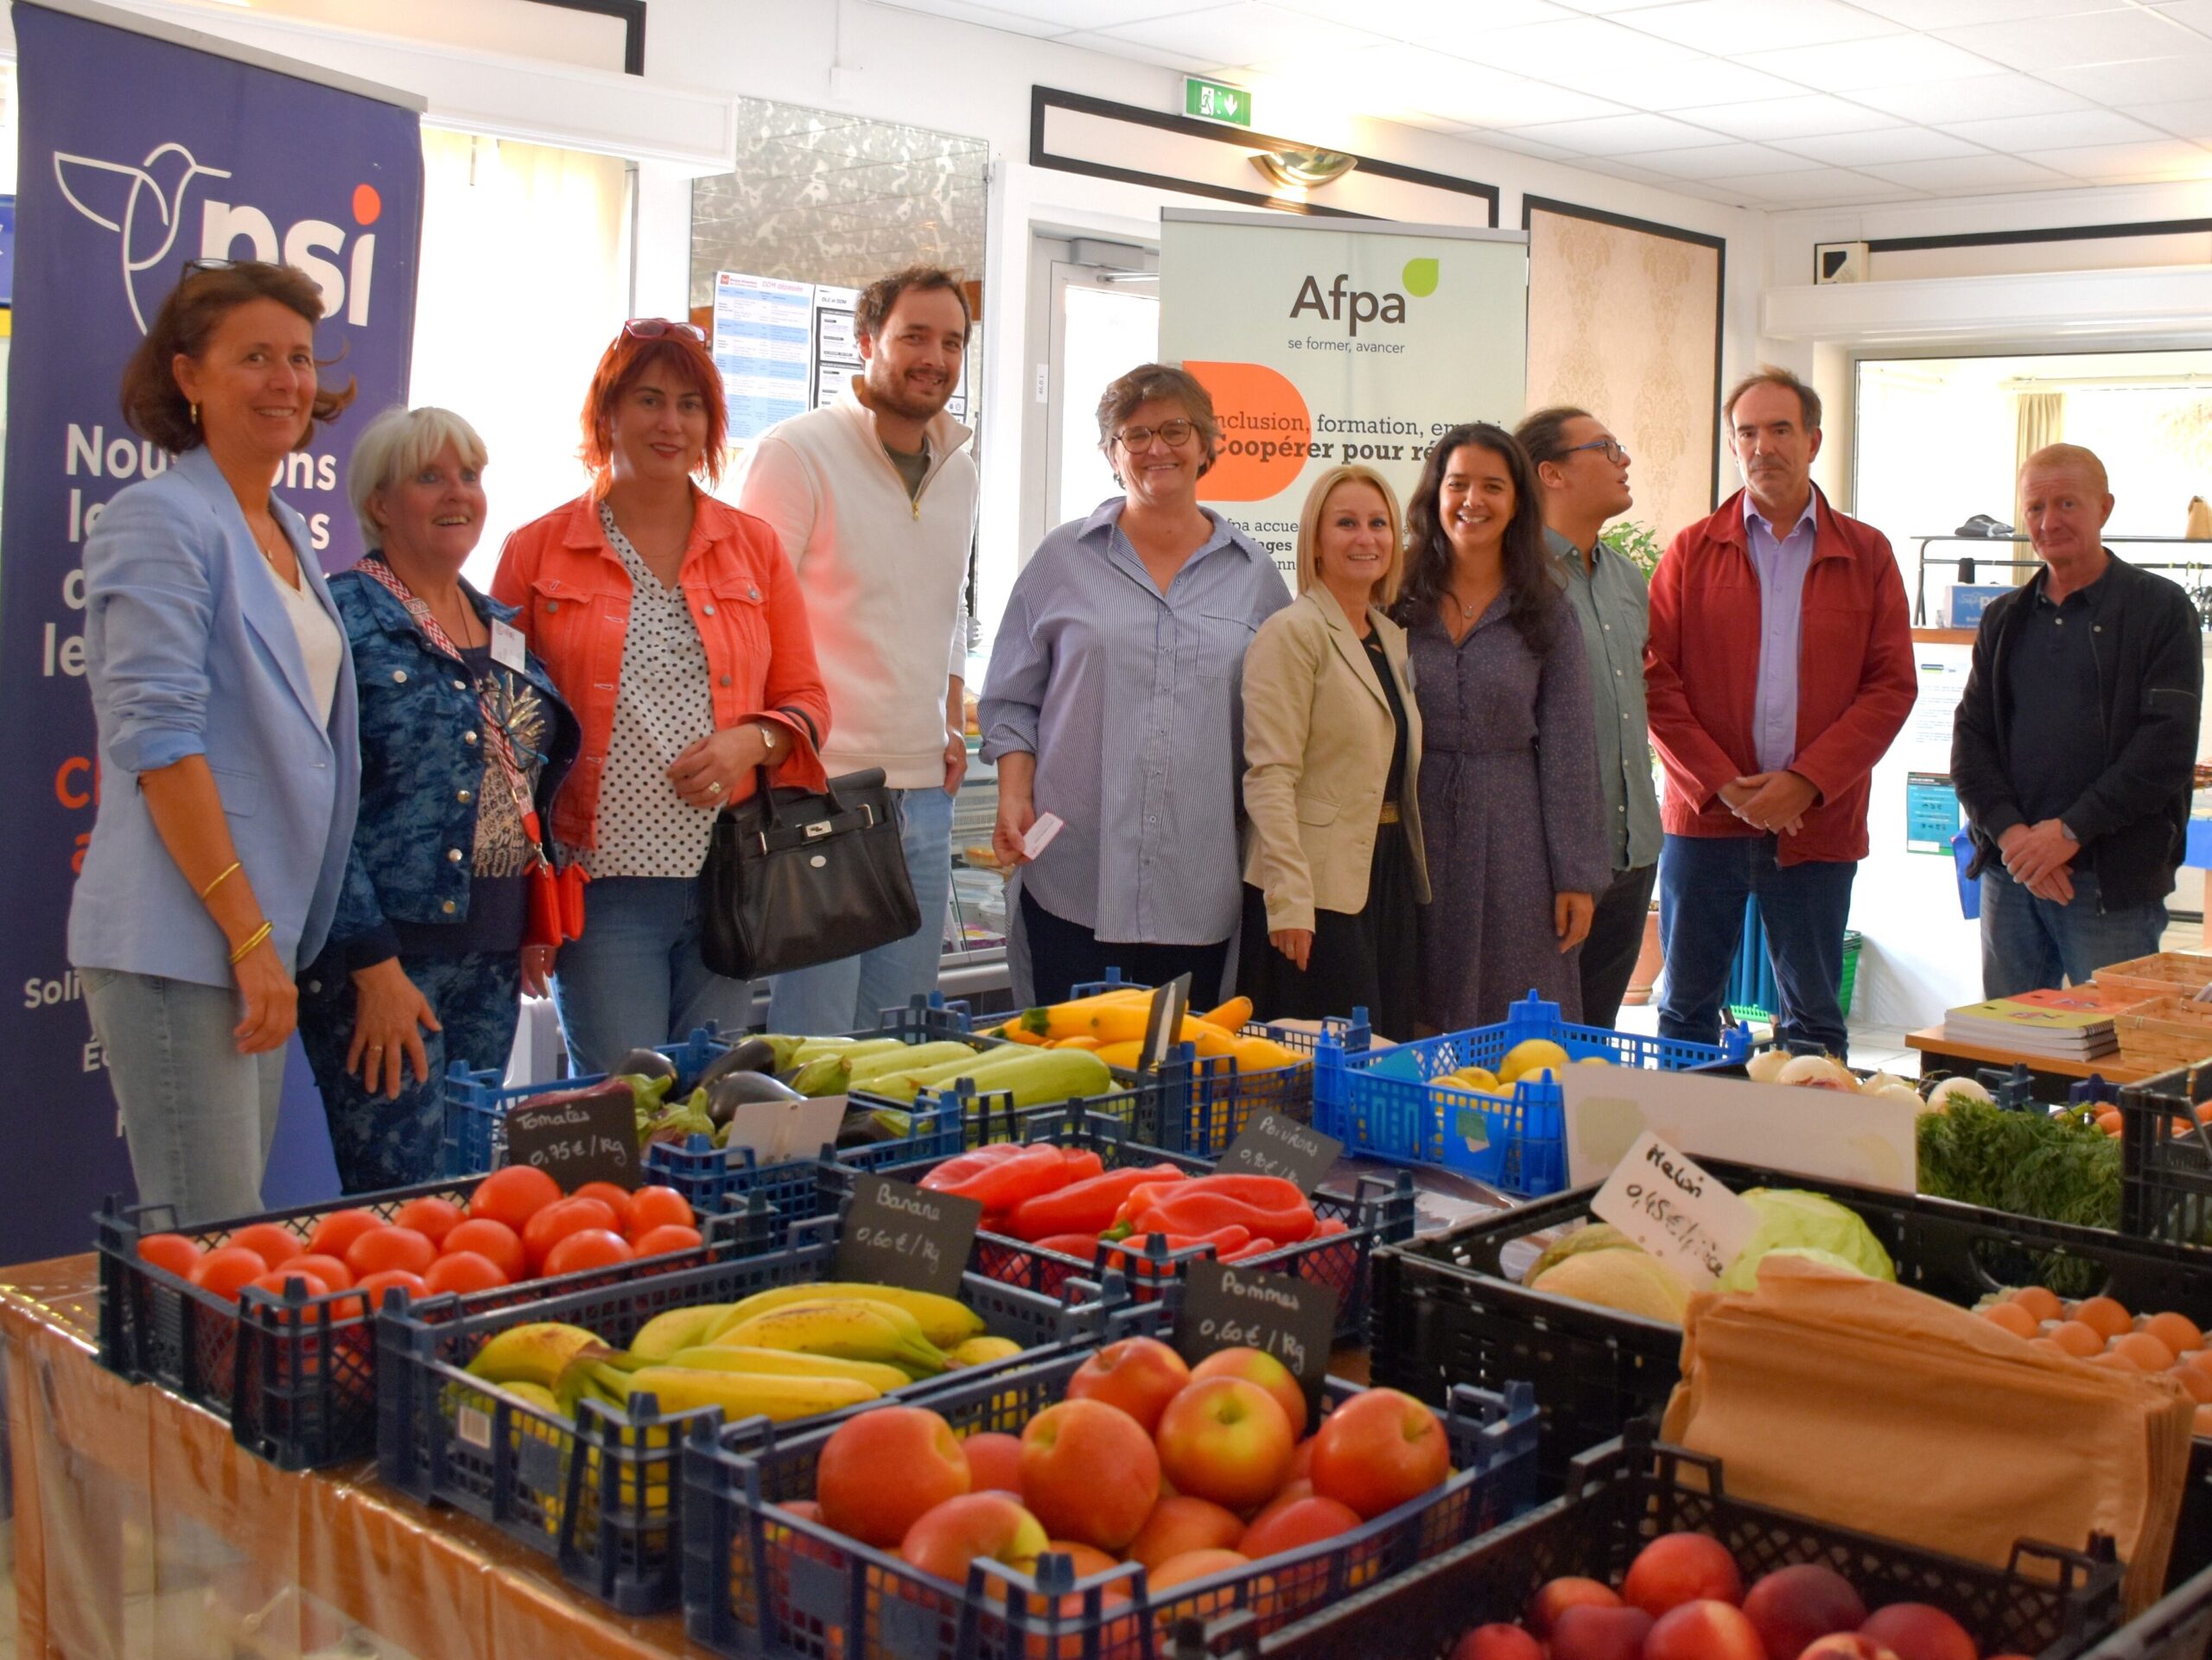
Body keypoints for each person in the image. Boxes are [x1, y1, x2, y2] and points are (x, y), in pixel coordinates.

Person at [69, 260, 360, 1223]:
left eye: (299, 359)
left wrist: (267, 942)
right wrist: (248, 938)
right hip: (187, 936)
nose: (286, 381)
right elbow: (159, 744)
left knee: (233, 1237)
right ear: (188, 377)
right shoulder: (159, 518)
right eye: (255, 358)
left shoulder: (281, 527)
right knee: (208, 1241)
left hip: (258, 936)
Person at [493, 320, 830, 1075]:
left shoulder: (754, 546)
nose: (669, 423)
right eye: (648, 400)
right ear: (607, 413)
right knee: (624, 1103)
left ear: (711, 424)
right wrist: (521, 902)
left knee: (708, 1105)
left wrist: (754, 740)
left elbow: (807, 698)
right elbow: (498, 733)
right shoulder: (535, 550)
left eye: (690, 404)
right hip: (601, 884)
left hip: (733, 876)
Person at [299, 408, 581, 1192]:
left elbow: (520, 777)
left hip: (491, 954)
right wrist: (371, 963)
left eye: (470, 476)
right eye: (431, 477)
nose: (458, 493)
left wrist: (533, 914)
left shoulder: (499, 625)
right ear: (380, 503)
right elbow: (319, 811)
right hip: (386, 963)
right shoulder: (343, 619)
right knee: (399, 1196)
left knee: (464, 1187)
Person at [980, 363, 1290, 1008]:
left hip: (1198, 885)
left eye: (1175, 429)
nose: (1156, 448)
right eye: (1134, 434)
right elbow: (1011, 699)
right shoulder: (1062, 559)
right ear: (1111, 454)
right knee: (1072, 1079)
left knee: (1184, 1087)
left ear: (1207, 444)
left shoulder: (1255, 576)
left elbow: (1279, 726)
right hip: (1073, 878)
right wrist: (1013, 792)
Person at [1645, 366, 1915, 1059]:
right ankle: (1689, 1159)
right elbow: (1655, 682)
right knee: (1684, 1012)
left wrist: (1806, 780)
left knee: (1816, 1020)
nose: (1763, 446)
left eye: (1780, 429)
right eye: (1747, 432)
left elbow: (1889, 687)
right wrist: (1724, 785)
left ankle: (1811, 1165)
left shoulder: (1869, 554)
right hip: (1705, 820)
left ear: (1814, 439)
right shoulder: (1688, 552)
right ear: (1733, 444)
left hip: (1819, 821)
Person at [738, 267, 978, 1035]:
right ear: (867, 339)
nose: (933, 356)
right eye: (914, 336)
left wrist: (948, 721)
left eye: (952, 341)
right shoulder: (796, 452)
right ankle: (798, 1163)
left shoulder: (958, 467)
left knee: (898, 1040)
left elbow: (950, 606)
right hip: (823, 784)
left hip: (925, 791)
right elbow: (753, 618)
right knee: (815, 1039)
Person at [1953, 444, 2202, 995]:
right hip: (2012, 875)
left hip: (2109, 886)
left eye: (2067, 503)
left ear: (2105, 508)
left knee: (2114, 1060)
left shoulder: (2160, 610)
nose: (2049, 521)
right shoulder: (2004, 618)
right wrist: (2017, 839)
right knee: (2008, 1058)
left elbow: (2165, 748)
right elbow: (1971, 742)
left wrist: (2068, 833)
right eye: (2036, 507)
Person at [1395, 423, 1607, 1031]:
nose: (1473, 500)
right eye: (1458, 483)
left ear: (1517, 502)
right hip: (1415, 826)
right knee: (1418, 995)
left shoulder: (1547, 608)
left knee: (1517, 997)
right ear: (1435, 495)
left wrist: (1576, 877)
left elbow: (1570, 747)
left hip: (1517, 830)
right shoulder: (1397, 596)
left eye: (1493, 486)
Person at [1238, 466, 1429, 1038]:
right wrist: (1289, 898)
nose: (1365, 537)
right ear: (1316, 543)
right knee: (1320, 1069)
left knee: (1386, 1056)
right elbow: (1270, 775)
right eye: (1346, 523)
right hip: (1315, 889)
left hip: (1388, 871)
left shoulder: (1390, 637)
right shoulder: (1292, 631)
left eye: (1378, 523)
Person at [1516, 406, 1662, 1030]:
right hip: (1551, 865)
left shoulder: (1627, 578)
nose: (1624, 460)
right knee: (1532, 1052)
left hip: (1633, 854)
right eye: (1607, 448)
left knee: (1594, 1043)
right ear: (1550, 473)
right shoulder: (1513, 580)